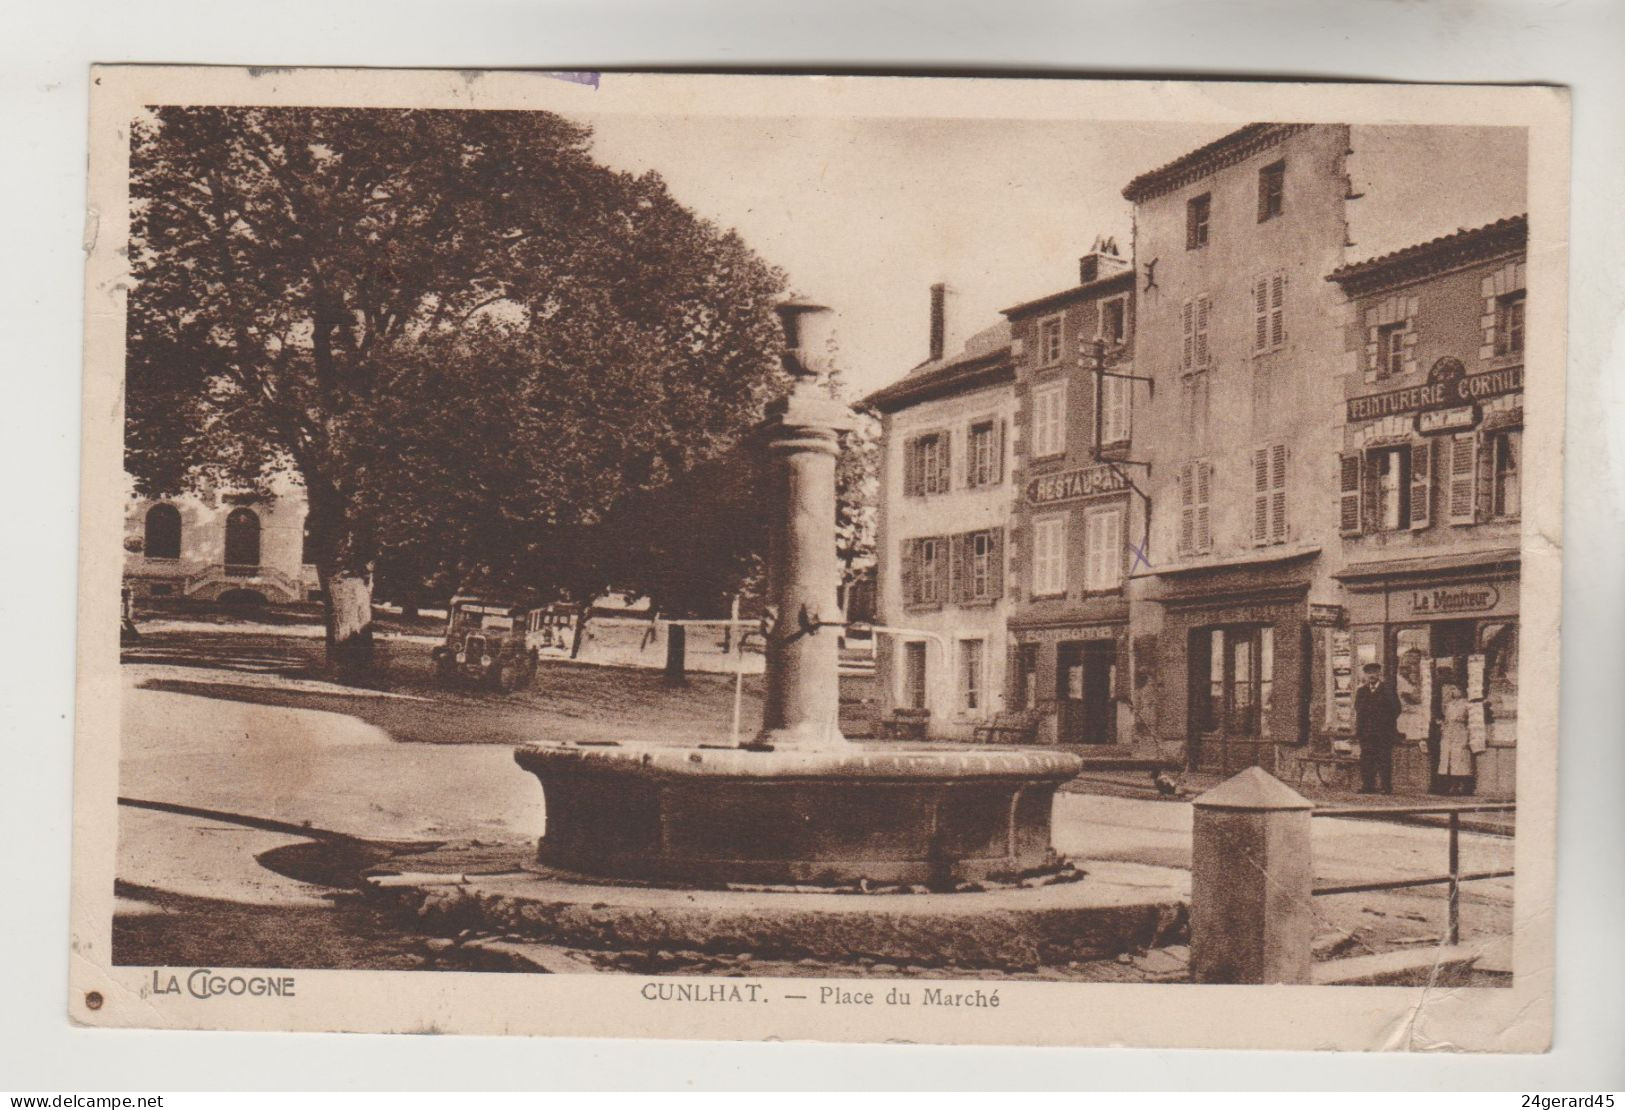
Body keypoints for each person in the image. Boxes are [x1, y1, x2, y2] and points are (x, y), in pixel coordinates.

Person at [1353, 662, 1400, 794]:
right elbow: (1358, 710)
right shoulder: (1361, 691)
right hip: (1366, 733)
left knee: (1384, 759)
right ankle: (1368, 785)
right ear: (1365, 675)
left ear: (1379, 674)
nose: (1371, 676)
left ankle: (1386, 786)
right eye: (1368, 673)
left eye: (1374, 672)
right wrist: (1360, 731)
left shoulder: (1387, 689)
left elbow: (1396, 709)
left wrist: (1385, 722)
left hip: (1383, 732)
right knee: (1366, 759)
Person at [1437, 672, 1477, 795]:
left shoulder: (1467, 705)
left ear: (1462, 690)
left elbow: (1471, 721)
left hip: (1461, 732)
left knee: (1459, 759)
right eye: (1451, 689)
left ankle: (1460, 786)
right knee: (1447, 758)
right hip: (1449, 732)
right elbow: (1447, 718)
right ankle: (1449, 785)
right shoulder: (1449, 704)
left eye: (1455, 689)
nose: (1452, 691)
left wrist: (1469, 737)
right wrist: (1442, 725)